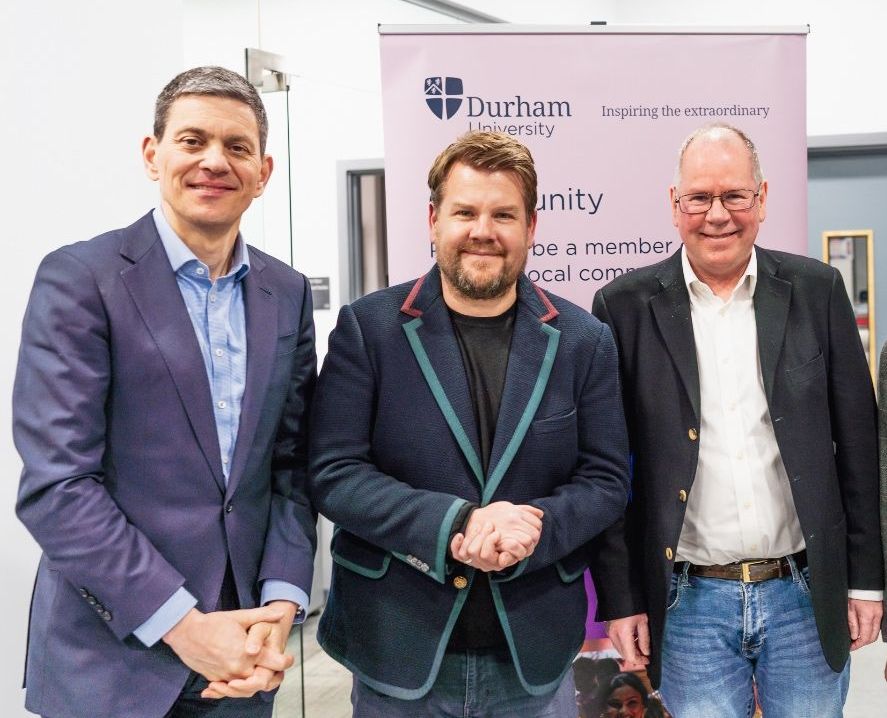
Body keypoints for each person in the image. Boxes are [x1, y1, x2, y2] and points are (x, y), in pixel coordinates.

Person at [13, 66, 317, 718]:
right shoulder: (81, 279)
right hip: (109, 664)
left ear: (263, 173)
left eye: (237, 147)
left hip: (240, 658)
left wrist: (281, 603)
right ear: (153, 155)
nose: (215, 161)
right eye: (192, 140)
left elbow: (290, 465)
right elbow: (57, 485)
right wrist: (182, 625)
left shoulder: (285, 293)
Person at [309, 131, 630, 716]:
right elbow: (334, 472)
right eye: (465, 212)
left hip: (531, 652)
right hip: (396, 647)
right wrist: (458, 522)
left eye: (503, 214)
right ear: (434, 220)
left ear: (531, 228)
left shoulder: (585, 342)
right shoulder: (369, 329)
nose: (484, 229)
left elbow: (606, 480)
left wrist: (533, 527)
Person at [591, 123, 884, 717]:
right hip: (688, 603)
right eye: (699, 197)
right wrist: (621, 601)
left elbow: (858, 446)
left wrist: (867, 580)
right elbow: (608, 473)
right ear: (674, 205)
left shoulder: (818, 290)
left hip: (804, 595)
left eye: (734, 196)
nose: (717, 214)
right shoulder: (623, 308)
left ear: (763, 198)